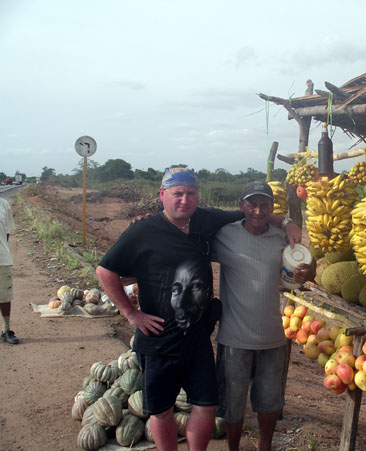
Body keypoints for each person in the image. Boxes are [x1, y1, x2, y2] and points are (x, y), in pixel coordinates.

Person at [96, 168, 299, 451]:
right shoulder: (143, 230)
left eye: (190, 193)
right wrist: (132, 314)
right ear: (162, 195)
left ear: (197, 196)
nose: (184, 199)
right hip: (159, 339)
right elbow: (106, 271)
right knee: (161, 410)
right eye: (177, 193)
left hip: (198, 337)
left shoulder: (205, 219)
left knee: (206, 404)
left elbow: (255, 214)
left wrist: (288, 222)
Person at [213, 181, 315, 451]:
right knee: (233, 405)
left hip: (272, 337)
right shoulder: (224, 234)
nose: (258, 211)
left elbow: (305, 268)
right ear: (241, 206)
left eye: (264, 205)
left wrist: (307, 273)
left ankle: (264, 447)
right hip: (234, 338)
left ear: (272, 208)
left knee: (269, 404)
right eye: (252, 204)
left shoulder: (282, 237)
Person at [0, 197, 18, 344]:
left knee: (5, 295)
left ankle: (6, 330)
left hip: (2, 258)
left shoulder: (3, 204)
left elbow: (7, 233)